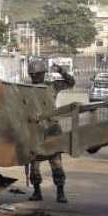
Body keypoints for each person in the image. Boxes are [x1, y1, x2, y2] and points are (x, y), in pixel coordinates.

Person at [26, 59, 75, 203]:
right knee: (34, 165)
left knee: (56, 164)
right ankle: (37, 192)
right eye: (33, 75)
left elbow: (71, 83)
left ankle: (60, 192)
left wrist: (61, 71)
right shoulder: (27, 89)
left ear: (43, 74)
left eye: (38, 74)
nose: (35, 77)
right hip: (35, 130)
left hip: (52, 130)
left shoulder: (52, 86)